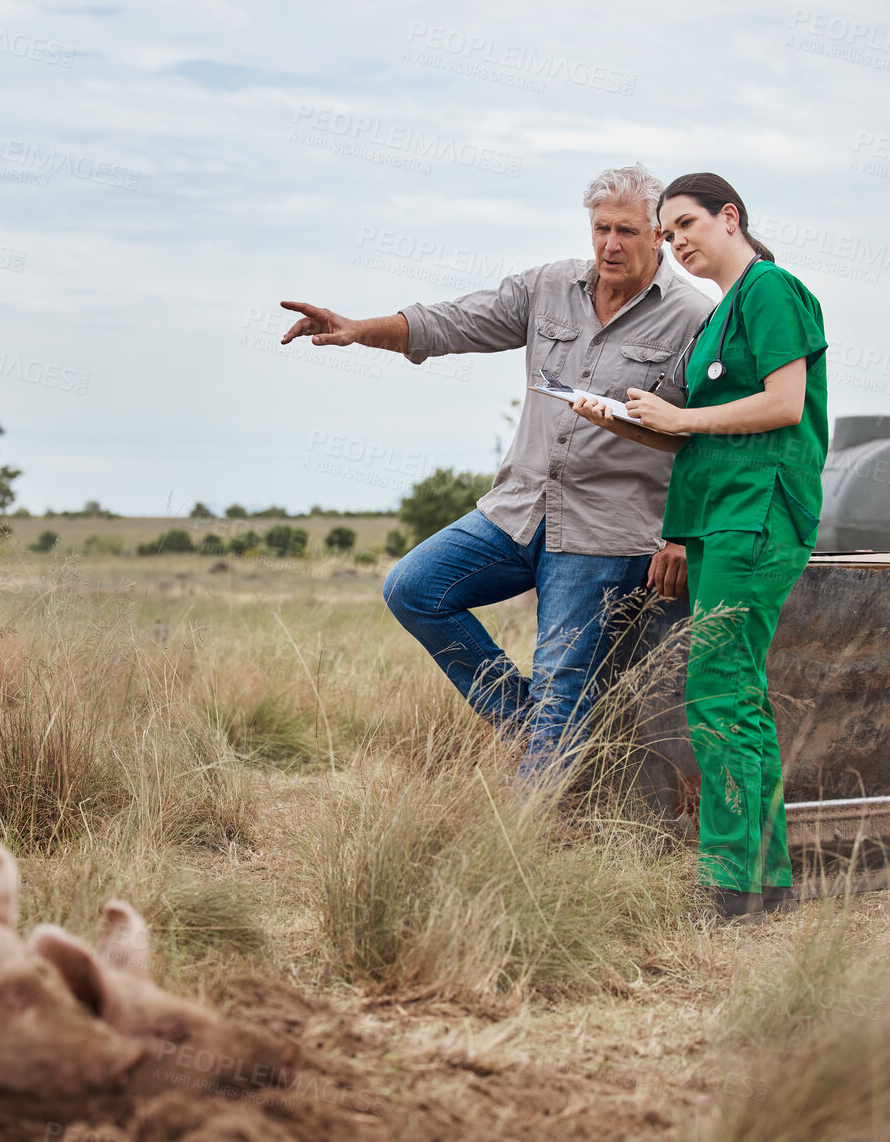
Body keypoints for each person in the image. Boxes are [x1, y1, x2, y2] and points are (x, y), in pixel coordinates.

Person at [280, 165, 711, 776]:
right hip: (516, 512)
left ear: (660, 236)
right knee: (413, 589)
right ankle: (526, 721)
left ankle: (529, 844)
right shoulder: (549, 286)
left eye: (628, 232)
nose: (611, 244)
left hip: (604, 535)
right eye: (601, 229)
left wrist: (682, 534)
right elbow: (453, 321)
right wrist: (357, 329)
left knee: (563, 686)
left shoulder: (695, 316)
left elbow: (705, 438)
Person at [571, 172, 828, 918]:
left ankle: (725, 882)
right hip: (717, 517)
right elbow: (698, 430)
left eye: (685, 223)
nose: (675, 240)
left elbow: (783, 403)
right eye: (668, 231)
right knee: (739, 694)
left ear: (729, 217)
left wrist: (680, 422)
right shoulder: (720, 315)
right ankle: (764, 880)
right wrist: (623, 419)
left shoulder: (771, 290)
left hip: (757, 516)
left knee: (716, 692)